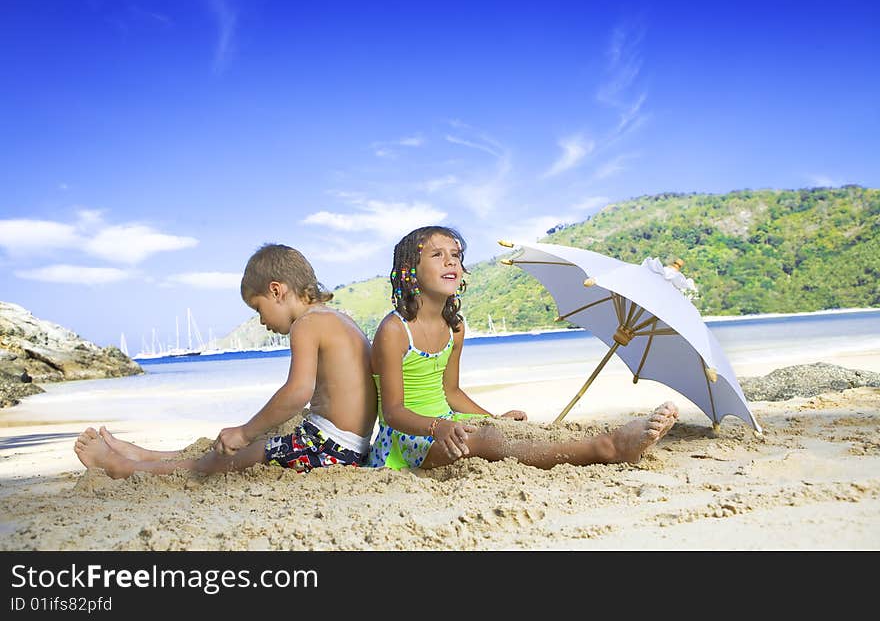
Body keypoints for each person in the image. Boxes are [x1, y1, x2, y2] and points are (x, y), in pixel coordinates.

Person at [367, 225, 679, 470]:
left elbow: (451, 393)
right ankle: (608, 448)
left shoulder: (455, 328)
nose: (450, 261)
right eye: (437, 255)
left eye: (456, 255)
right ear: (410, 269)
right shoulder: (395, 330)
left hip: (447, 422)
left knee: (506, 432)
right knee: (490, 439)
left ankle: (600, 440)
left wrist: (494, 418)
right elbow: (393, 413)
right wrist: (438, 427)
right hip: (409, 438)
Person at [74, 243, 378, 479]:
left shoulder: (306, 325)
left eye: (258, 309)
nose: (261, 321)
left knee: (217, 462)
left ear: (276, 291)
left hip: (327, 449)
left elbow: (297, 393)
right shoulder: (339, 319)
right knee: (261, 437)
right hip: (350, 447)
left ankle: (120, 467)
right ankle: (145, 455)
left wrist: (245, 431)